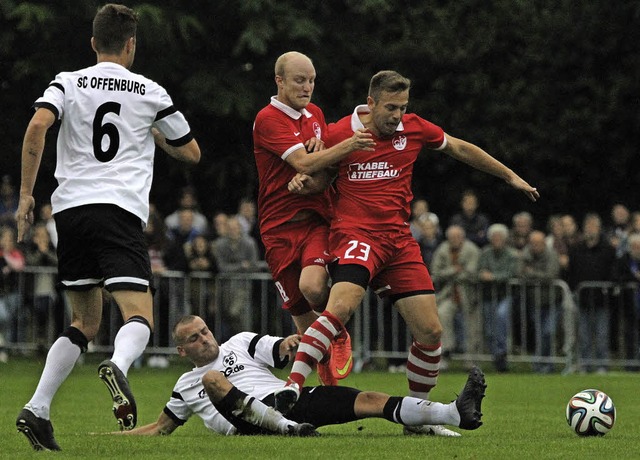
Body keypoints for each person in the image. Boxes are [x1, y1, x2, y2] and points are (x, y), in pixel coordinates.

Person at [284, 70, 537, 434]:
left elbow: (461, 148)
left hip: (399, 242)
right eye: (390, 107)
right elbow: (320, 177)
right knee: (340, 307)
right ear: (370, 104)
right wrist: (304, 182)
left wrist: (509, 176)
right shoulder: (341, 133)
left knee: (431, 331)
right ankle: (292, 386)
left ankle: (418, 420)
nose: (397, 115)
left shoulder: (414, 128)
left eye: (402, 107)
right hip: (357, 235)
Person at [14, 4, 201, 451]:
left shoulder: (68, 80)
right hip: (117, 210)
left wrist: (25, 194)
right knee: (139, 315)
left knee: (84, 320)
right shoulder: (151, 91)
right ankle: (118, 364)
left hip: (70, 213)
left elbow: (39, 124)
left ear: (94, 43)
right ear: (131, 45)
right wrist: (156, 136)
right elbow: (192, 153)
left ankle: (37, 409)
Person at [117, 315, 485, 437]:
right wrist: (109, 437)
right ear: (182, 352)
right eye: (193, 339)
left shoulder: (240, 342)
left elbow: (279, 349)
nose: (204, 339)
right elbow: (159, 428)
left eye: (204, 331)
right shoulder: (187, 384)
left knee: (369, 400)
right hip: (248, 422)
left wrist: (293, 342)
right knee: (213, 381)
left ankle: (452, 413)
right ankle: (282, 428)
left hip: (287, 402)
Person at [252, 51, 375, 384]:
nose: (307, 87)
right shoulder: (268, 118)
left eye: (311, 81)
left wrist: (314, 168)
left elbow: (320, 168)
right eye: (299, 80)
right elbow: (305, 163)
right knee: (306, 329)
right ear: (279, 81)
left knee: (312, 285)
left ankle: (337, 330)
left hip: (315, 220)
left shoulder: (316, 114)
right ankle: (327, 391)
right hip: (277, 229)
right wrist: (344, 148)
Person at [567, 213, 616, 374]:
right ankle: (585, 365)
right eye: (588, 226)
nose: (590, 230)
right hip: (583, 299)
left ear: (599, 229)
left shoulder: (608, 250)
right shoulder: (576, 249)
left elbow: (612, 272)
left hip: (602, 300)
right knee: (584, 336)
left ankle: (602, 365)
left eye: (593, 226)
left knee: (602, 334)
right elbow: (571, 272)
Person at [430, 225, 480, 369]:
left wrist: (452, 274)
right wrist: (455, 270)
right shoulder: (443, 249)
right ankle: (446, 351)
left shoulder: (471, 249)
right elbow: (435, 271)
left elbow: (471, 272)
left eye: (457, 237)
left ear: (463, 237)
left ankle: (471, 360)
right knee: (441, 314)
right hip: (449, 294)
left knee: (472, 327)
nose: (455, 240)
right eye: (452, 237)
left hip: (469, 295)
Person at [477, 224, 519, 372]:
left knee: (501, 318)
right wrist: (486, 276)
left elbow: (511, 273)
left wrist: (493, 276)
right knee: (489, 329)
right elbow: (479, 271)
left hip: (505, 295)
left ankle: (502, 353)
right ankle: (496, 356)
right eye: (494, 237)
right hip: (488, 296)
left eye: (499, 237)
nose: (497, 240)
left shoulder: (511, 254)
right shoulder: (485, 253)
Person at [519, 230, 561, 373]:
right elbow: (520, 273)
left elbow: (550, 275)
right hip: (534, 302)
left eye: (539, 243)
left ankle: (548, 364)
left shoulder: (552, 255)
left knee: (548, 332)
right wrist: (535, 275)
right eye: (533, 244)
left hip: (552, 301)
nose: (536, 246)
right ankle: (539, 365)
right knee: (539, 334)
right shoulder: (525, 255)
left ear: (544, 243)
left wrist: (531, 273)